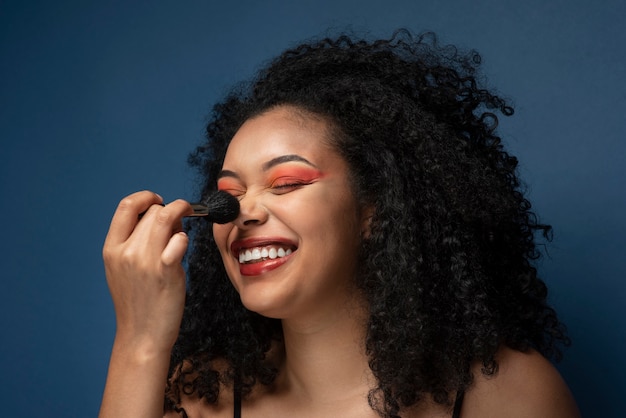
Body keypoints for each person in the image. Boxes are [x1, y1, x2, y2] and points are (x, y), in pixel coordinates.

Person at [99, 30, 580, 418]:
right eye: (229, 194)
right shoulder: (194, 396)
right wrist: (139, 342)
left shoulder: (507, 397)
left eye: (286, 183)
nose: (244, 213)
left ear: (375, 208)